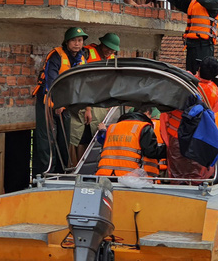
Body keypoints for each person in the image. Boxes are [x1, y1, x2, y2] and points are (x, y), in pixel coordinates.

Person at [32, 27, 88, 176]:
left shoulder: (81, 58)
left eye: (80, 41)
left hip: (66, 102)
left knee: (64, 137)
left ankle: (61, 172)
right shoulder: (56, 56)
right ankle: (46, 172)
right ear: (67, 42)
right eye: (74, 40)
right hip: (48, 100)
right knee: (47, 138)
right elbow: (51, 81)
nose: (77, 44)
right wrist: (57, 103)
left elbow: (83, 82)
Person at [66, 33, 122, 165]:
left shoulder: (112, 58)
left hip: (101, 101)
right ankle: (75, 165)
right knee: (78, 135)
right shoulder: (86, 53)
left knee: (95, 135)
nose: (109, 51)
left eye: (112, 49)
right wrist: (88, 108)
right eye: (107, 48)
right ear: (101, 44)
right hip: (85, 100)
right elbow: (83, 82)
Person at [152, 0, 218, 75]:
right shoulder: (194, 1)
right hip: (192, 44)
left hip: (204, 46)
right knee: (190, 74)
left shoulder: (213, 2)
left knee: (202, 74)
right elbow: (179, 0)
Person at [96, 107, 166, 177]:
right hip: (129, 177)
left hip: (106, 175)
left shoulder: (112, 127)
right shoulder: (144, 127)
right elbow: (150, 151)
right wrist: (169, 149)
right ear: (147, 113)